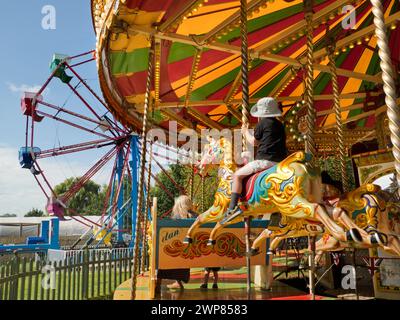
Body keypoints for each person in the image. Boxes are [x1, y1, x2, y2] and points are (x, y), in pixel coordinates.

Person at [222, 97, 288, 222]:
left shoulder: (262, 123)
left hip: (264, 161)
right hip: (280, 163)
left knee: (237, 175)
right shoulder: (280, 125)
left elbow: (253, 142)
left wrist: (245, 131)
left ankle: (232, 208)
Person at [156, 195, 196, 292]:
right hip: (188, 253)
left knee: (166, 253)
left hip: (174, 252)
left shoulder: (176, 218)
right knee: (182, 256)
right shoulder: (196, 217)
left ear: (178, 205)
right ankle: (178, 282)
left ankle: (158, 283)